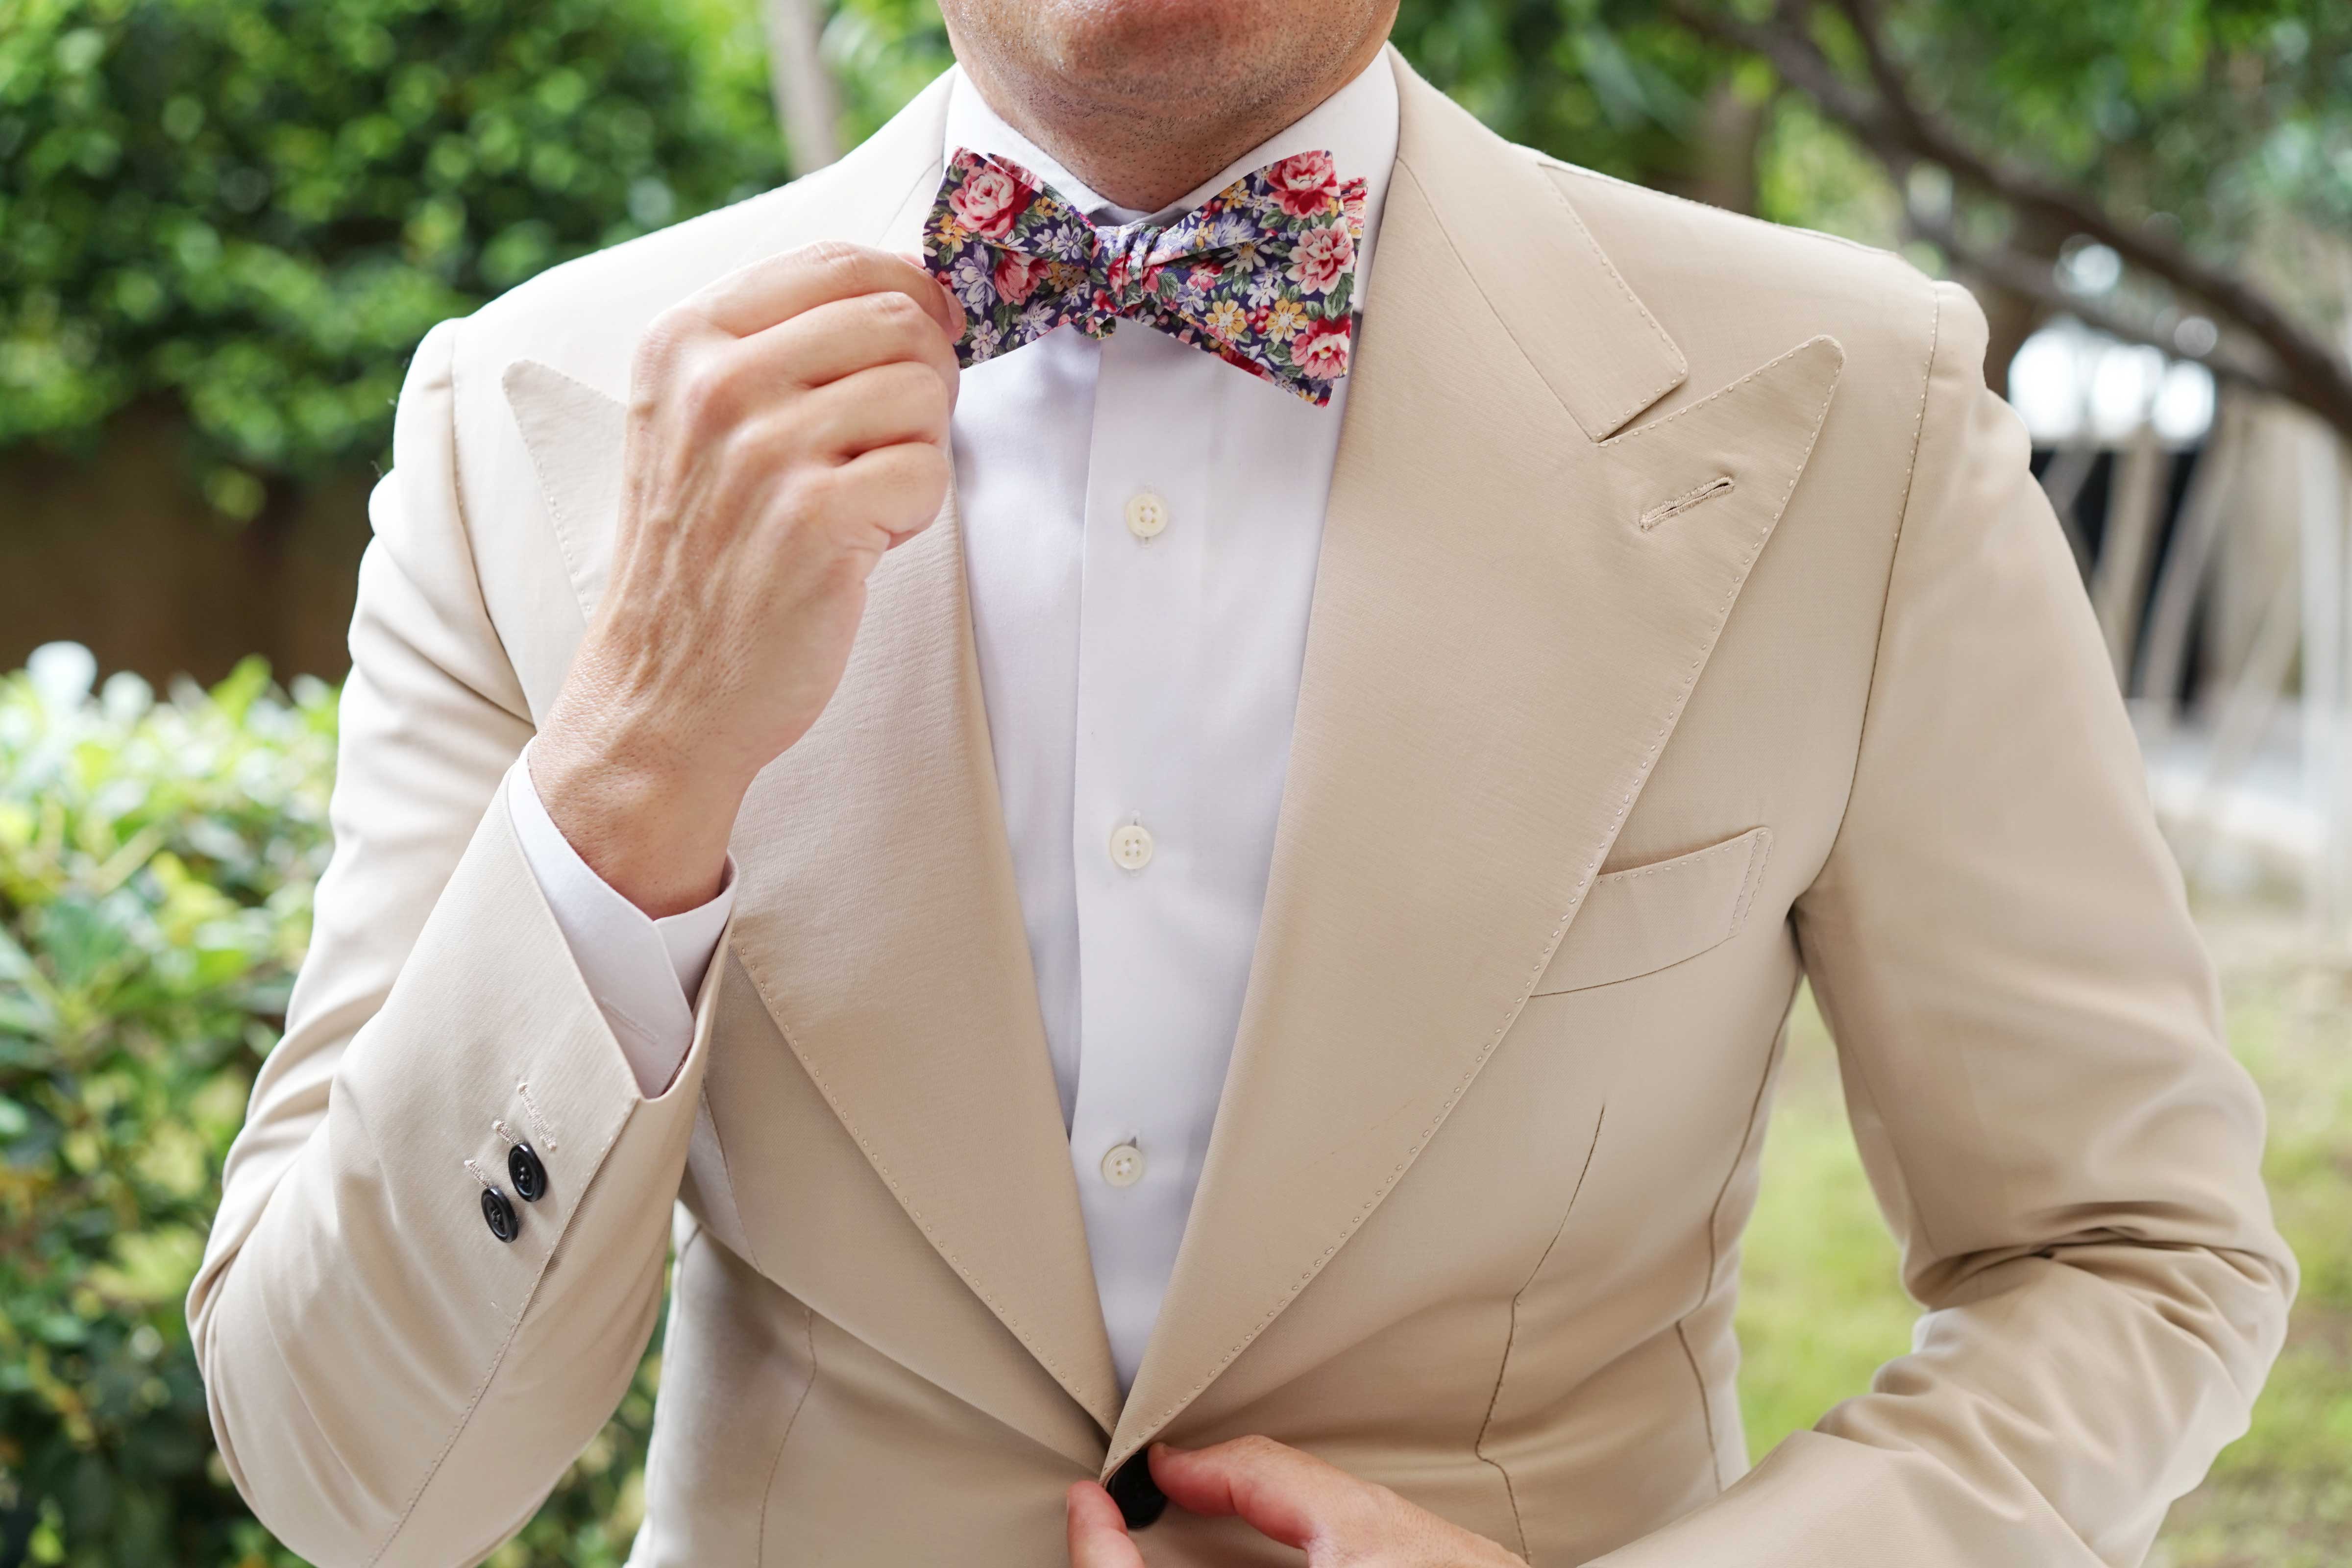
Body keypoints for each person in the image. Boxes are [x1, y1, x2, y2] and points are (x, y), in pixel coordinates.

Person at [187, 1, 2295, 1564]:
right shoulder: (524, 419)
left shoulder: (1859, 407)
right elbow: (347, 1470)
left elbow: (2133, 1254)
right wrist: (636, 757)